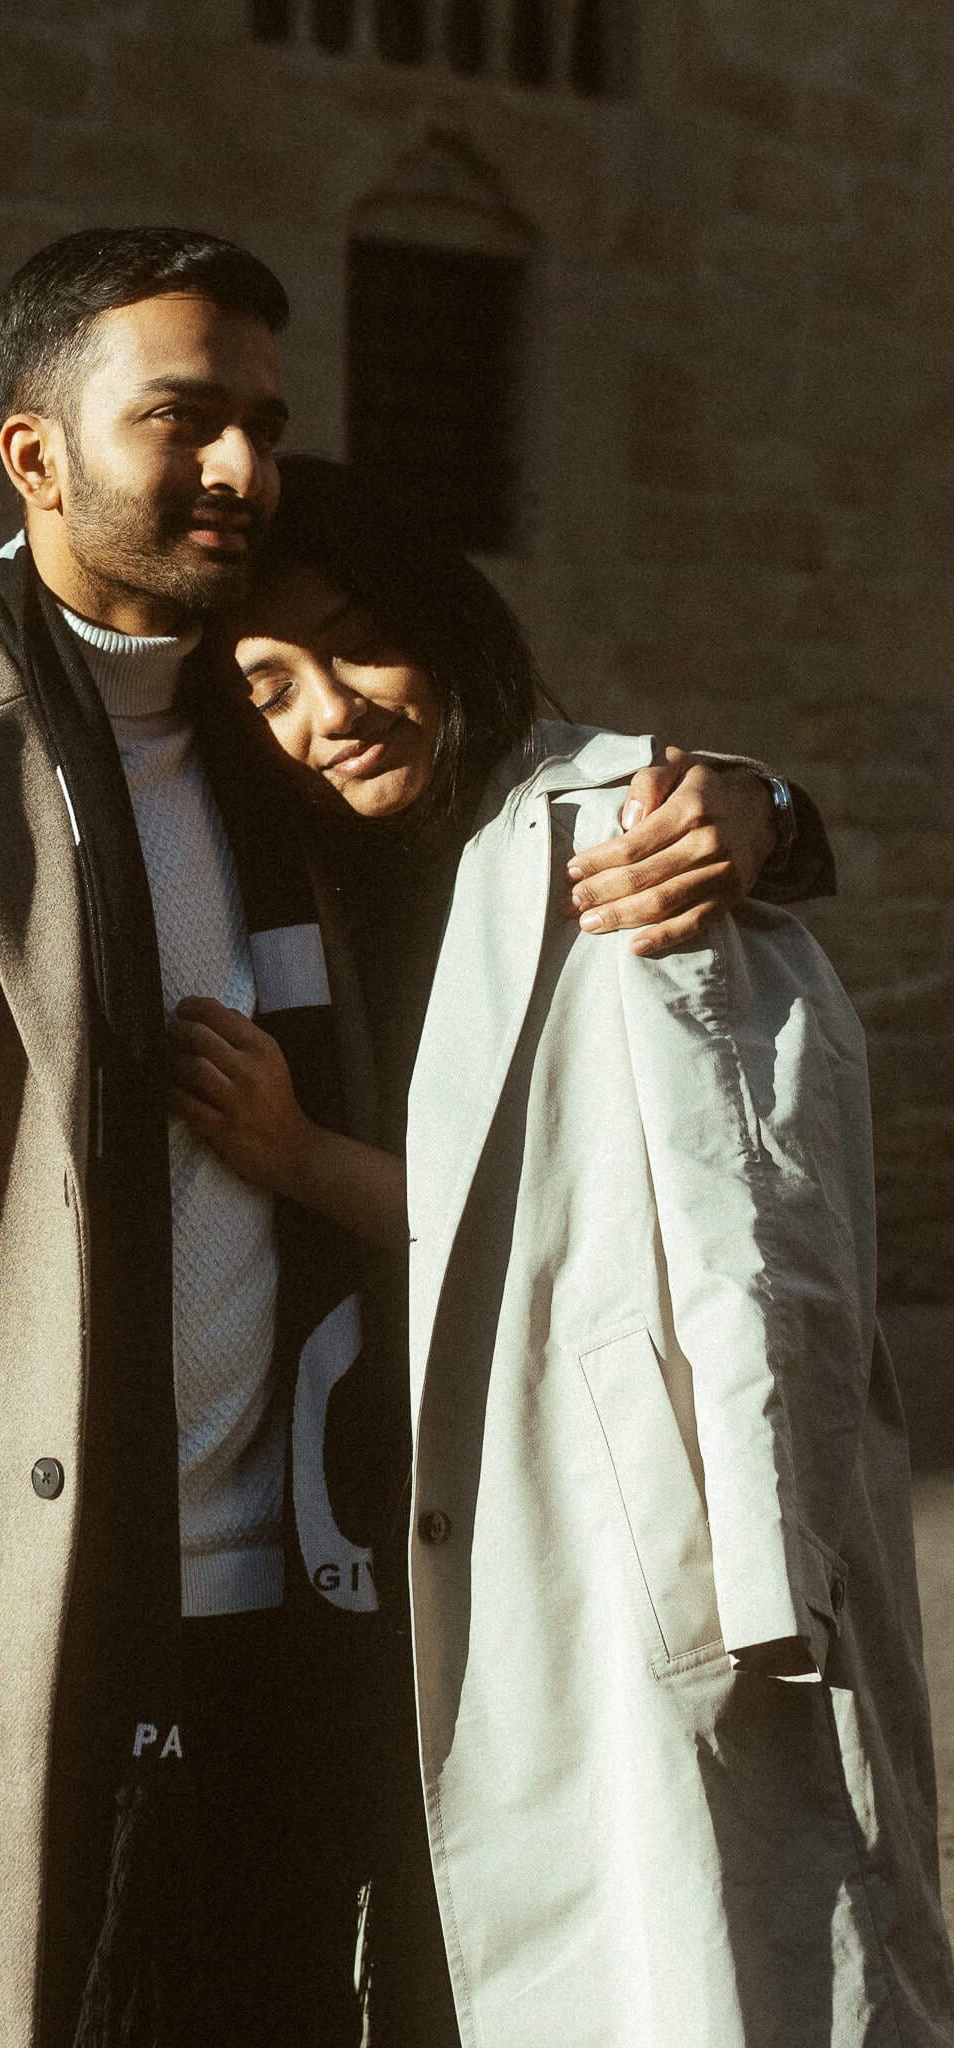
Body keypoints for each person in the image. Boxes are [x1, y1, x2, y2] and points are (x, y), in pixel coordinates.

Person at [0, 232, 823, 2048]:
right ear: (34, 457)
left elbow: (519, 775)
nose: (236, 467)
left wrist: (760, 807)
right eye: (180, 419)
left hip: (347, 1633)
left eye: (264, 426)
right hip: (31, 1670)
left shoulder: (272, 743)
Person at [171, 456, 954, 2048]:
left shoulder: (619, 842)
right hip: (364, 1553)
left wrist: (759, 1590)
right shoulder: (298, 863)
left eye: (359, 643)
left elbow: (755, 1258)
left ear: (446, 625)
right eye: (266, 681)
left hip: (611, 1556)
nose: (330, 711)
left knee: (688, 1961)